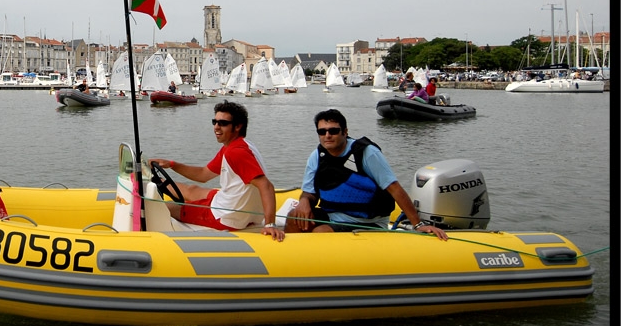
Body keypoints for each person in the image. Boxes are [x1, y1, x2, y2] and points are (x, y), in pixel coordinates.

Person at [286, 109, 447, 240]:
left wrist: (418, 225)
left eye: (333, 131)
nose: (327, 135)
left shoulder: (366, 153)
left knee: (320, 233)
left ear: (345, 132)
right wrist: (305, 201)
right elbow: (309, 192)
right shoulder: (316, 156)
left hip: (369, 222)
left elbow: (394, 188)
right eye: (322, 131)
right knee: (294, 217)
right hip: (333, 215)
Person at [149, 100, 284, 241]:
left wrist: (270, 224)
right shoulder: (237, 145)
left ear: (238, 126)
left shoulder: (236, 153)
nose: (216, 127)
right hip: (233, 204)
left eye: (223, 123)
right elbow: (203, 174)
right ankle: (156, 183)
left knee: (168, 208)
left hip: (227, 216)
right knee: (192, 189)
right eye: (215, 122)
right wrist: (171, 164)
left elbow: (266, 186)